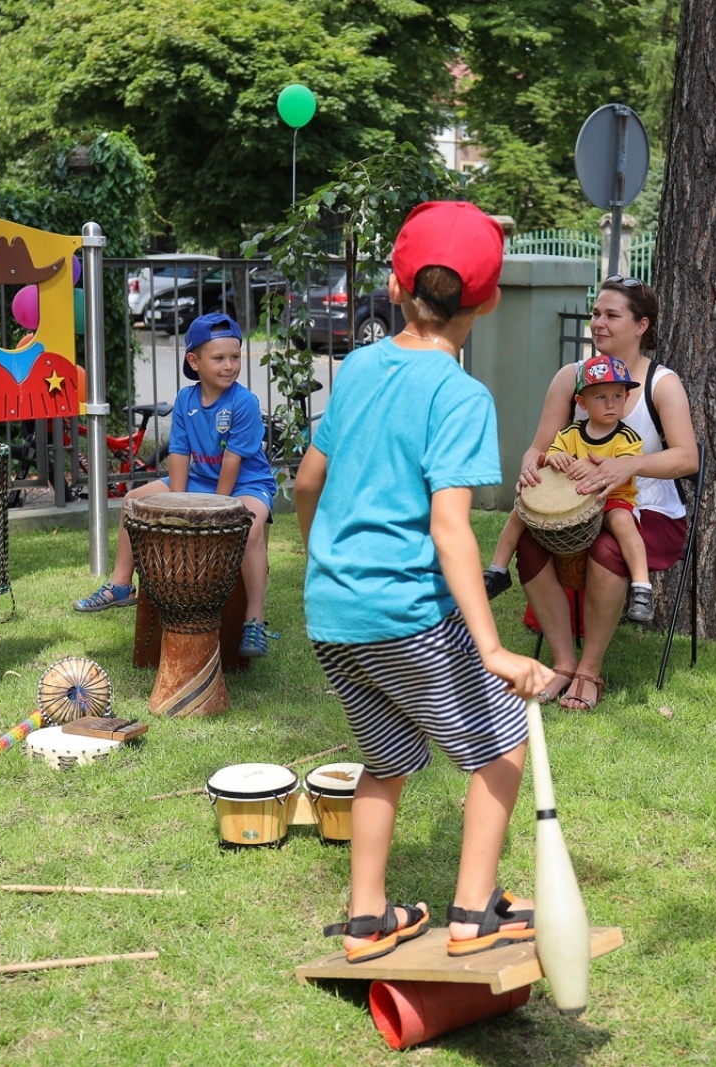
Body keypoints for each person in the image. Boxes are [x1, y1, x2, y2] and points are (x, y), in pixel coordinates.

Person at [295, 201, 553, 963]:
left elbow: (309, 481)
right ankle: (475, 910)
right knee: (502, 746)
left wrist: (325, 554)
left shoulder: (361, 366)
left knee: (388, 757)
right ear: (491, 297)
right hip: (410, 612)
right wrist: (493, 647)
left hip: (333, 611)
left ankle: (368, 917)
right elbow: (449, 528)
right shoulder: (461, 395)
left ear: (396, 283)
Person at [504, 276, 700, 711]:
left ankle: (590, 671)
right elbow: (540, 445)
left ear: (641, 325)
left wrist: (631, 463)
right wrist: (529, 462)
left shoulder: (662, 384)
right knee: (531, 544)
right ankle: (563, 663)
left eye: (612, 315)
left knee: (608, 547)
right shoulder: (571, 377)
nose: (598, 323)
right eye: (596, 313)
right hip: (581, 503)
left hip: (645, 508)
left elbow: (687, 458)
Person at [74, 312, 278, 658]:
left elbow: (233, 462)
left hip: (247, 482)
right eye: (219, 358)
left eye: (234, 357)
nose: (229, 366)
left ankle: (254, 622)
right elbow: (180, 453)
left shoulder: (244, 403)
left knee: (252, 527)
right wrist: (180, 502)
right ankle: (121, 584)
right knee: (133, 502)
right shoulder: (186, 400)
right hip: (199, 481)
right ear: (194, 361)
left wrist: (214, 511)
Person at [541, 354, 654, 622]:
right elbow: (552, 453)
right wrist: (552, 457)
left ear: (626, 398)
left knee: (623, 523)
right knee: (523, 516)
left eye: (617, 396)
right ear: (581, 402)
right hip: (576, 500)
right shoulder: (570, 433)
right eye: (601, 397)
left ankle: (641, 587)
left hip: (612, 498)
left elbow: (626, 465)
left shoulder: (627, 437)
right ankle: (498, 568)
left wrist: (601, 470)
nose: (611, 403)